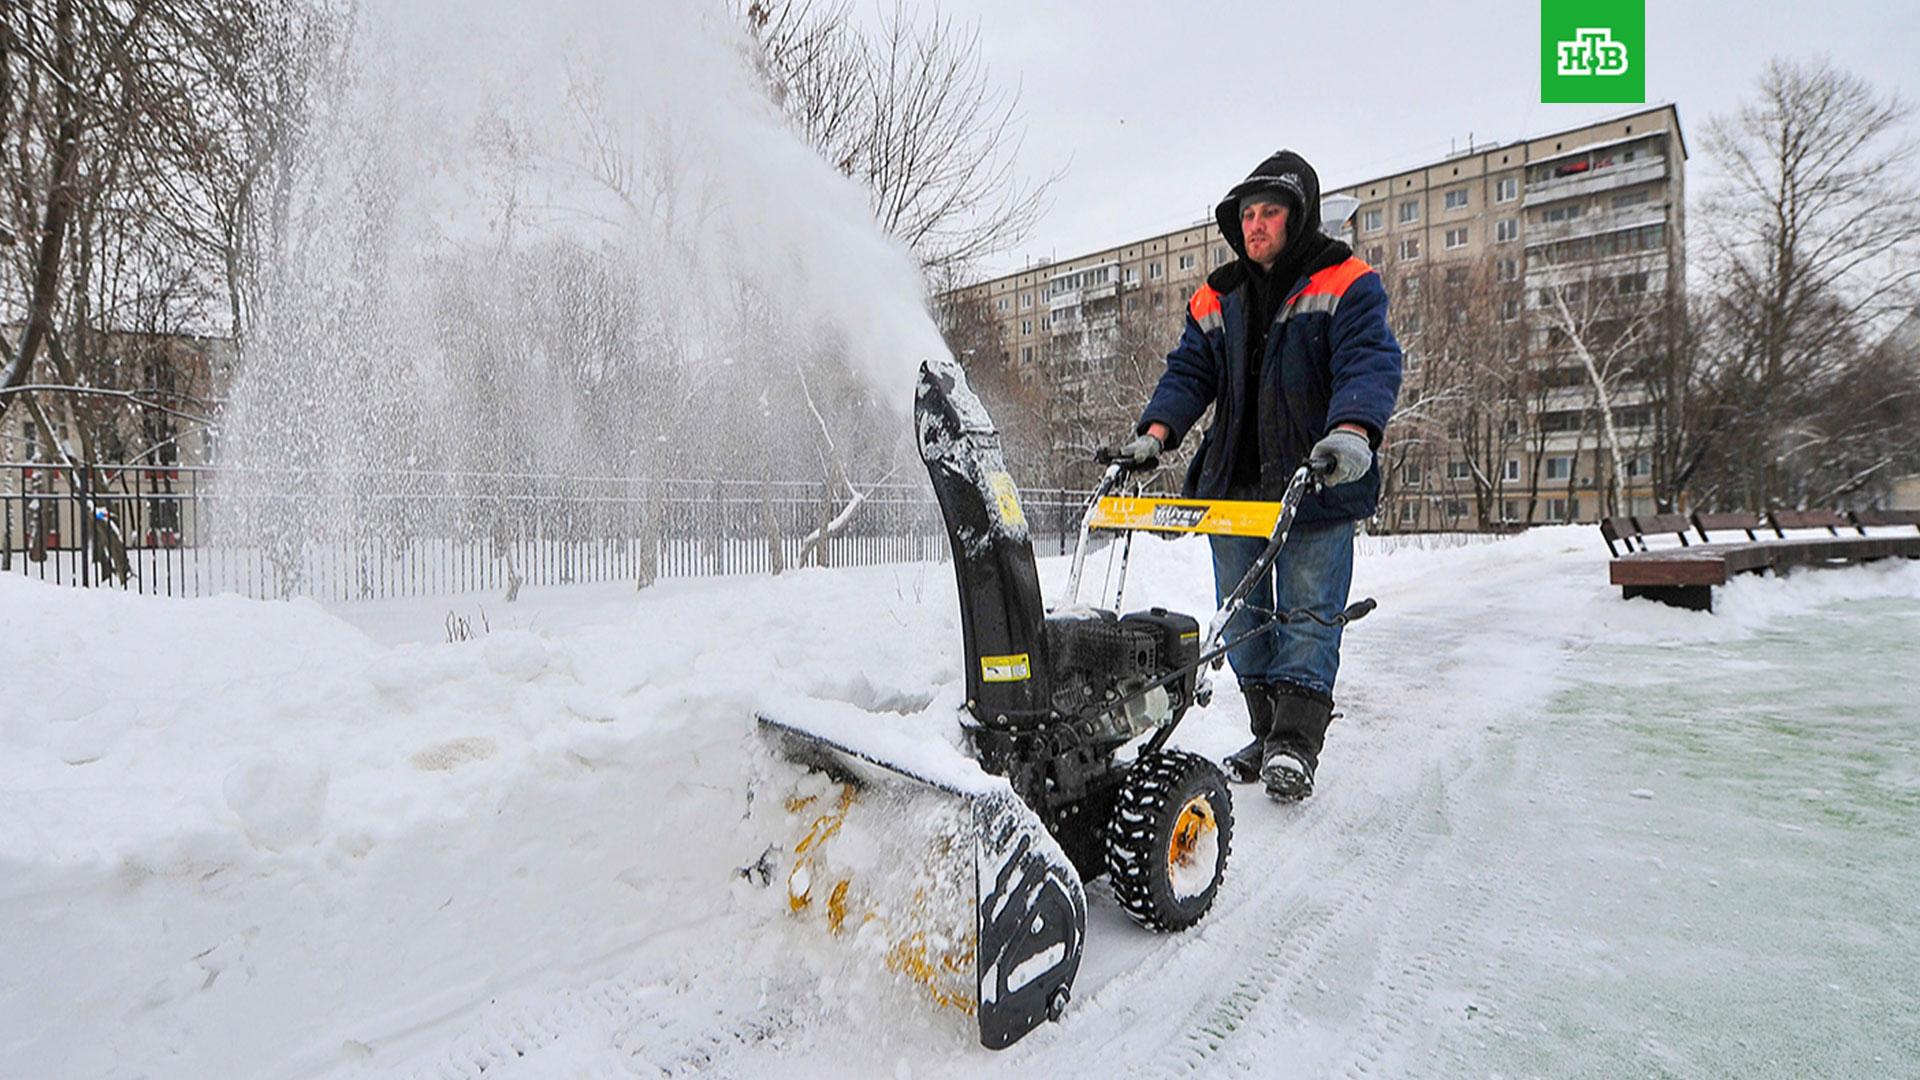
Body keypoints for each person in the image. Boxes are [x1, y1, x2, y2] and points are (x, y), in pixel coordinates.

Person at [1117, 149, 1402, 802]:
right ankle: (1264, 731)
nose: (1256, 225)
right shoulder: (1220, 295)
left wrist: (1352, 432)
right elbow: (1190, 371)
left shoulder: (1346, 282)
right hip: (1234, 488)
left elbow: (1369, 361)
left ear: (1298, 217)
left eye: (1270, 212)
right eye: (1247, 214)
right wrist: (1154, 434)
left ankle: (1295, 746)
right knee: (1244, 616)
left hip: (1316, 482)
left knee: (1307, 614)